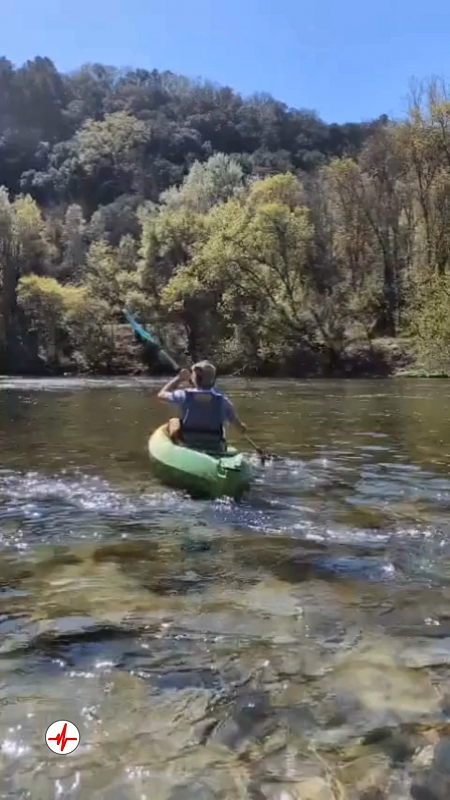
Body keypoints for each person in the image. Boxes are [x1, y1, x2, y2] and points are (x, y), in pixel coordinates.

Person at [157, 360, 247, 451]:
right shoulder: (223, 400)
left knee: (174, 421)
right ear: (213, 380)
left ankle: (175, 447)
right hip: (215, 444)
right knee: (223, 429)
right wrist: (242, 427)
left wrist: (179, 378)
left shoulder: (184, 395)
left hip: (189, 442)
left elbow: (161, 394)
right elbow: (239, 427)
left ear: (194, 378)